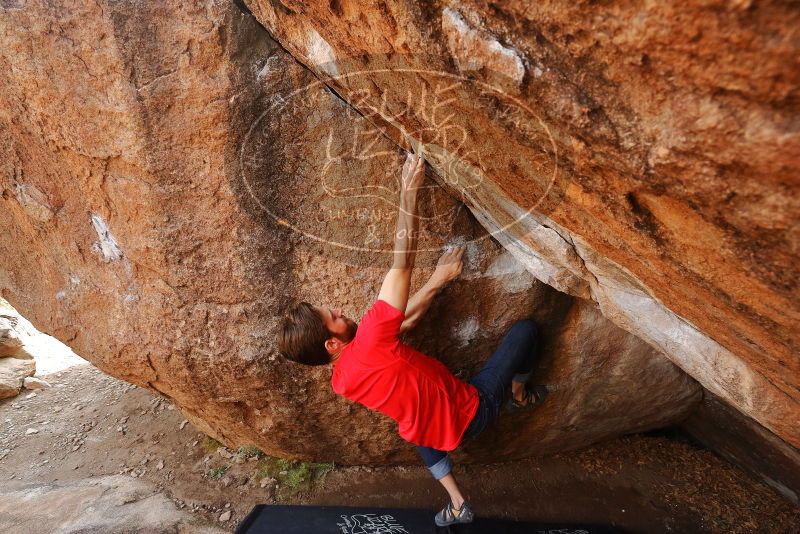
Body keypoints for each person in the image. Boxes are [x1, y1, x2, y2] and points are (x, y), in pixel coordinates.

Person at [278, 152, 549, 527]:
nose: (340, 311)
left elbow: (401, 324)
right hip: (474, 411)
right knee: (526, 332)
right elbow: (401, 263)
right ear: (331, 344)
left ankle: (456, 502)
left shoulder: (342, 381)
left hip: (431, 430)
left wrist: (437, 282)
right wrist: (408, 192)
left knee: (413, 425)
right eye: (334, 318)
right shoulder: (372, 338)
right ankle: (520, 395)